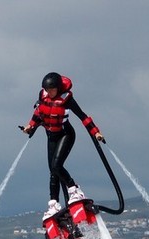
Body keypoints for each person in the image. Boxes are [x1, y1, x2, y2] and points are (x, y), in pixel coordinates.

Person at [22, 72, 105, 219]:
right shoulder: (43, 97)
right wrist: (30, 126)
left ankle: (74, 189)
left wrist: (96, 132)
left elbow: (83, 117)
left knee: (56, 165)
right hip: (51, 136)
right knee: (53, 171)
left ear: (58, 88)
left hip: (66, 134)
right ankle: (54, 203)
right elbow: (38, 113)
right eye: (47, 90)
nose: (49, 92)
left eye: (52, 89)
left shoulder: (67, 99)